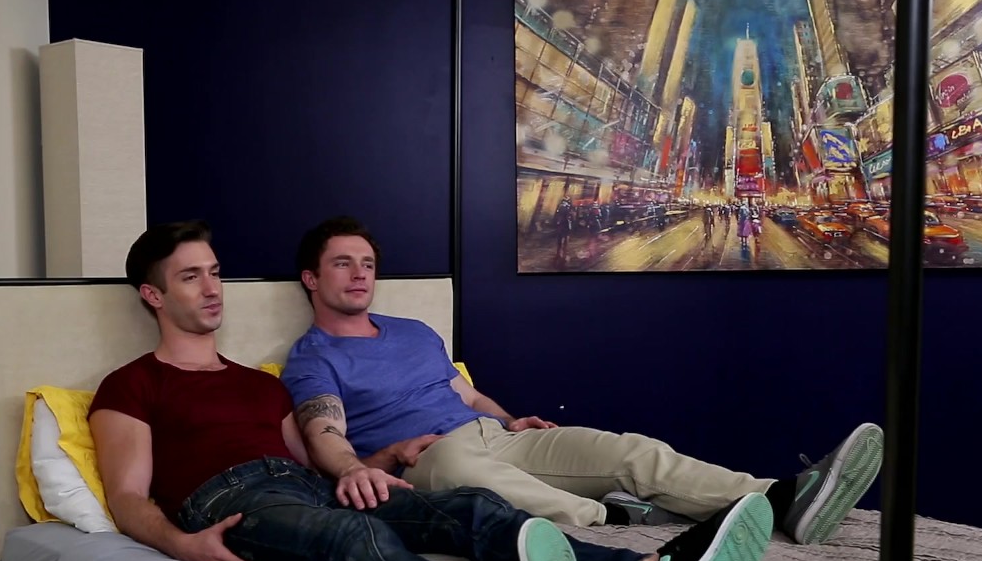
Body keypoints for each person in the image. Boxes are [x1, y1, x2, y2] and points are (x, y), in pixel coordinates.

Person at [88, 220, 776, 561]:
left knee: (472, 510)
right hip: (231, 503)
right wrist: (181, 544)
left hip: (303, 489)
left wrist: (375, 465)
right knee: (352, 537)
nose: (212, 288)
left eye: (214, 272)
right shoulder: (130, 384)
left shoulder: (256, 384)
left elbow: (314, 461)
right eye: (191, 276)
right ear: (152, 296)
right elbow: (126, 494)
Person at [281, 216, 884, 540]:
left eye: (368, 264)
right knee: (459, 468)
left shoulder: (414, 331)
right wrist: (360, 467)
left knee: (629, 451)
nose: (360, 275)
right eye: (343, 264)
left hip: (493, 437)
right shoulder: (313, 358)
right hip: (426, 459)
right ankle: (615, 522)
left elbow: (467, 394)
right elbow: (323, 434)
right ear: (311, 279)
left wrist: (510, 420)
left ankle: (781, 497)